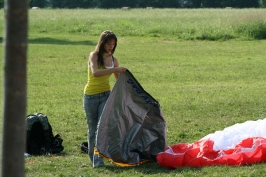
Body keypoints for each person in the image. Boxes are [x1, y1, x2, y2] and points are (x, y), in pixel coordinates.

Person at [83, 30, 126, 168]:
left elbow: (119, 81)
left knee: (102, 128)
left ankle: (100, 160)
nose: (111, 46)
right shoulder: (94, 55)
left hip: (106, 95)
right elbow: (95, 73)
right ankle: (94, 158)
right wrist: (115, 69)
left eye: (113, 44)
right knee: (92, 129)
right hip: (90, 96)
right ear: (102, 43)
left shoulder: (114, 60)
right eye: (108, 43)